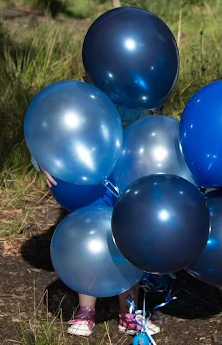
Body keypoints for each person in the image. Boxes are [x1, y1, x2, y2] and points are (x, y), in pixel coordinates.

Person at [31, 75, 162, 336]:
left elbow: (153, 135)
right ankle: (86, 309)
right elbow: (51, 130)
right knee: (90, 236)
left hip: (126, 179)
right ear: (88, 77)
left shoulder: (137, 100)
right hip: (88, 182)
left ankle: (129, 311)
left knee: (126, 239)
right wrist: (42, 160)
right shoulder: (81, 99)